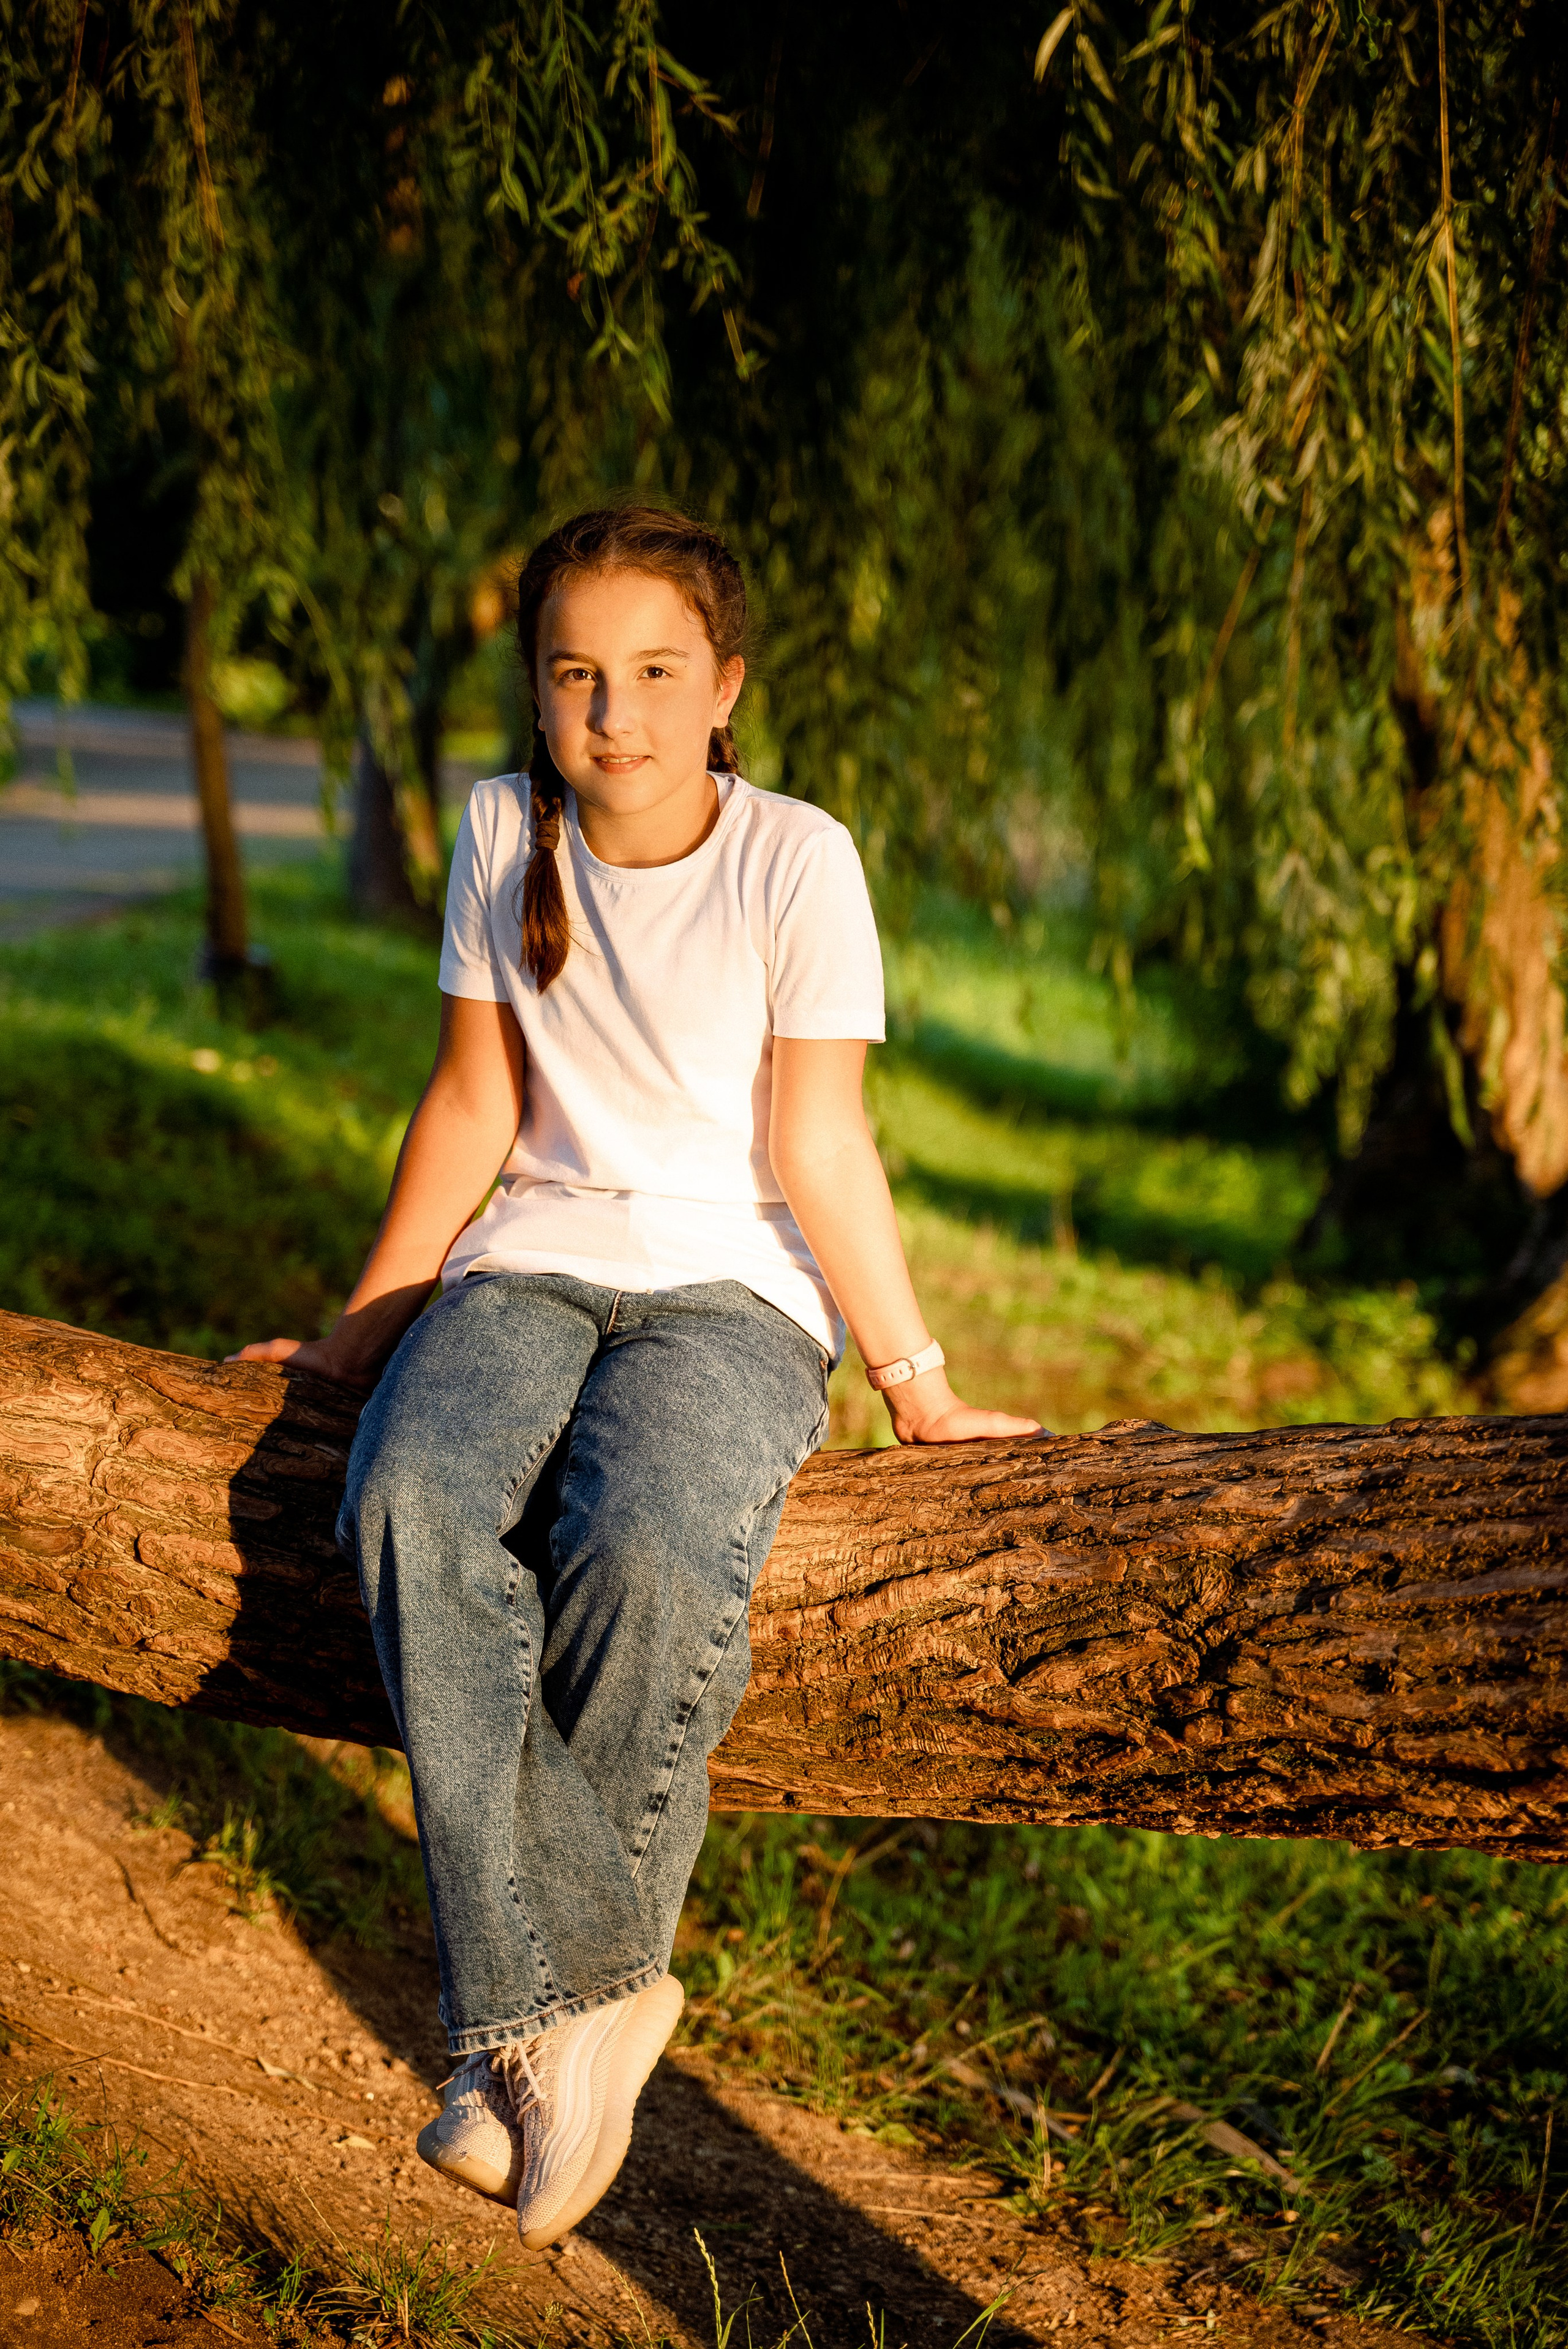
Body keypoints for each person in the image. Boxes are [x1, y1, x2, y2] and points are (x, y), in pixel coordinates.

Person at [233, 505, 1039, 2250]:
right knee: (407, 1493)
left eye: (658, 671)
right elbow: (472, 1103)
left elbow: (818, 1142)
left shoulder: (796, 859)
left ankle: (517, 2039)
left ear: (727, 681)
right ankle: (581, 2006)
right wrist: (362, 1324)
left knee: (652, 1550)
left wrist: (918, 1382)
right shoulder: (498, 827)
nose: (617, 710)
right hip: (528, 1257)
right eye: (578, 673)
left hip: (735, 1294)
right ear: (535, 688)